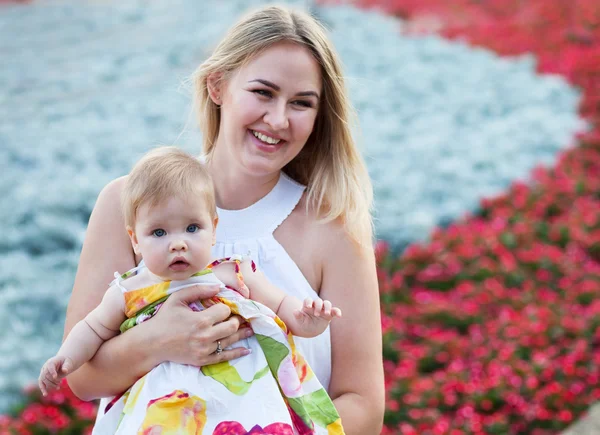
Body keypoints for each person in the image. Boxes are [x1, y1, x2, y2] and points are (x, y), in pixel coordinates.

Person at [64, 5, 384, 434]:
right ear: (217, 86)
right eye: (263, 92)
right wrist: (164, 340)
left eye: (301, 103)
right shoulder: (126, 203)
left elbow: (363, 404)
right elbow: (82, 378)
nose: (278, 119)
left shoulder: (334, 225)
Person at [40, 147, 344, 433]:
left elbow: (282, 307)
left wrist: (309, 320)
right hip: (166, 411)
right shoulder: (129, 290)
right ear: (135, 240)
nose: (178, 243)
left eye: (192, 228)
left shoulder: (232, 272)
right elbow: (91, 329)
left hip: (242, 403)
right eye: (159, 232)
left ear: (213, 228)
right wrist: (64, 359)